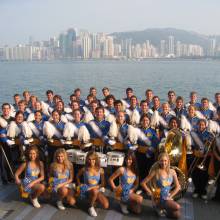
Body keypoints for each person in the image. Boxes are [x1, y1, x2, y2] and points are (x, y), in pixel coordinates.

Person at [141, 152, 181, 218]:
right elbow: (143, 183)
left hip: (167, 197)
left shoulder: (172, 171)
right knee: (177, 206)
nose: (163, 163)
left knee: (177, 215)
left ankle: (164, 209)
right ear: (158, 161)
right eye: (161, 161)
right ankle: (158, 207)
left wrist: (170, 196)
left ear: (168, 161)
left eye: (165, 161)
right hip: (159, 198)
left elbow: (178, 187)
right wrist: (152, 194)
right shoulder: (156, 171)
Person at [76, 151, 109, 217]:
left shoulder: (101, 170)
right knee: (94, 191)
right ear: (87, 160)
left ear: (96, 160)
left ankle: (93, 201)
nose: (91, 161)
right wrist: (79, 184)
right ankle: (90, 207)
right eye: (89, 159)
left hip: (95, 190)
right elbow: (77, 176)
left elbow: (102, 184)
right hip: (87, 190)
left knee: (106, 205)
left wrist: (93, 188)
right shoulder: (84, 169)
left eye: (93, 159)